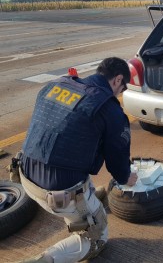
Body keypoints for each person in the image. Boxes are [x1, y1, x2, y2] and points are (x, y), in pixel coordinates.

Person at [17, 57, 138, 263]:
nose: (121, 93)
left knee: (76, 147)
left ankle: (88, 196)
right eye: (124, 88)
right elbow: (117, 162)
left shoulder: (57, 85)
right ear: (118, 80)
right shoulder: (109, 110)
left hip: (25, 178)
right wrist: (127, 177)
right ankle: (46, 259)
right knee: (98, 237)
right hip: (59, 196)